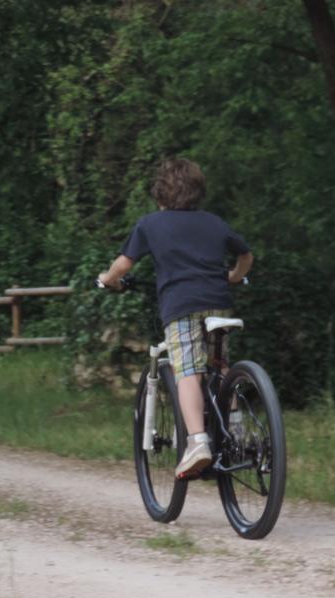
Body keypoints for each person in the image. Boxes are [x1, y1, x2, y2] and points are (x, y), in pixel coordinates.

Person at [98, 158, 254, 478]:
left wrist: (107, 279)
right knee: (221, 366)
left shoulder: (150, 224)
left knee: (188, 371)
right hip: (218, 303)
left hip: (181, 306)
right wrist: (234, 277)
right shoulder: (214, 222)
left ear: (160, 195)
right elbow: (246, 255)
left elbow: (123, 265)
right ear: (198, 192)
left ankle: (197, 441)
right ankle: (237, 433)